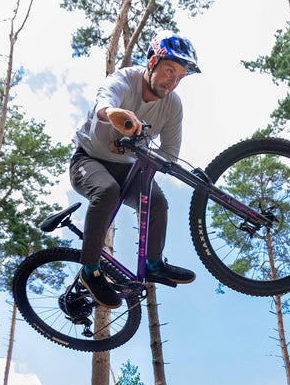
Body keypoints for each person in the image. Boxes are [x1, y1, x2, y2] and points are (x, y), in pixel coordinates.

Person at [70, 34, 200, 309]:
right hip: (88, 160)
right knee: (107, 192)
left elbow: (169, 153)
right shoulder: (124, 79)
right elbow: (104, 104)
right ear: (152, 62)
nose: (173, 82)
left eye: (180, 77)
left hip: (127, 168)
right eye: (169, 71)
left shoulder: (173, 105)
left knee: (157, 202)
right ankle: (90, 270)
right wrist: (115, 114)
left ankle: (154, 264)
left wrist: (152, 159)